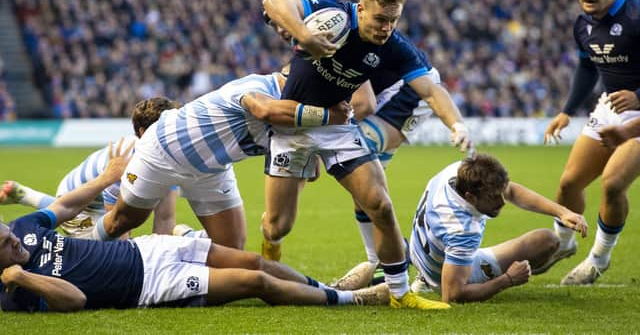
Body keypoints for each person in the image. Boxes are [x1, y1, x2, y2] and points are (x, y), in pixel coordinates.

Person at [260, 0, 471, 309]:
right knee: (277, 226)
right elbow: (272, 2)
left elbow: (430, 90)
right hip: (293, 128)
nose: (386, 27)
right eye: (380, 19)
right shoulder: (335, 17)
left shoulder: (395, 47)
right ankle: (269, 264)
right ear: (361, 9)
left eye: (393, 20)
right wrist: (306, 37)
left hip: (338, 126)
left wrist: (456, 124)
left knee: (380, 205)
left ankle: (400, 294)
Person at [0, 140, 397, 311]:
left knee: (253, 262)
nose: (15, 240)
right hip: (150, 287)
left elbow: (64, 206)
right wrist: (23, 276)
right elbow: (76, 301)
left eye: (9, 233)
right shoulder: (14, 291)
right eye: (6, 244)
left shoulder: (24, 228)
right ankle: (353, 299)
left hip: (146, 250)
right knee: (254, 284)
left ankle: (328, 289)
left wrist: (107, 178)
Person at [90, 71, 351, 249]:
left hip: (212, 171)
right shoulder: (259, 87)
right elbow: (264, 111)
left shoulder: (302, 116)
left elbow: (310, 171)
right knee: (121, 222)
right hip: (163, 150)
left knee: (232, 248)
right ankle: (79, 248)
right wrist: (330, 116)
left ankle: (184, 238)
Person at [334, 154, 587, 304]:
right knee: (547, 242)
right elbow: (452, 295)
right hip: (441, 271)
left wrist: (562, 211)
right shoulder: (462, 229)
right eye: (493, 198)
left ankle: (387, 278)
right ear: (470, 196)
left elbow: (510, 190)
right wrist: (507, 280)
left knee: (545, 238)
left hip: (422, 249)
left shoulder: (458, 171)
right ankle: (416, 281)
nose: (502, 202)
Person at [543, 0, 640, 285]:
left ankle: (598, 259)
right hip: (610, 107)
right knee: (569, 184)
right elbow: (587, 67)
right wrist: (567, 110)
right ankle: (563, 244)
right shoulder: (582, 24)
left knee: (612, 184)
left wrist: (638, 96)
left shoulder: (636, 16)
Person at [1, 97, 180, 239]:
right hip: (77, 198)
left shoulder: (168, 157)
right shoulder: (125, 161)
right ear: (143, 132)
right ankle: (29, 197)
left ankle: (23, 194)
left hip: (94, 200)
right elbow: (116, 226)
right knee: (101, 253)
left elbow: (165, 219)